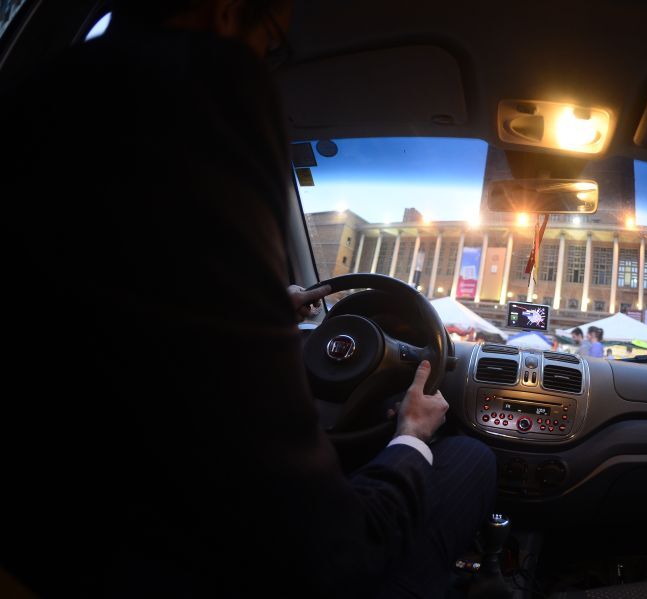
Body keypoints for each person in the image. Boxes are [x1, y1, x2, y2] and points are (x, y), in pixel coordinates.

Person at [1, 1, 495, 597]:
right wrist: (411, 436)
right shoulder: (205, 92)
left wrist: (252, 304)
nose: (266, 61)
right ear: (228, 15)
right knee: (468, 457)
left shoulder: (35, 102)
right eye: (273, 44)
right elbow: (336, 551)